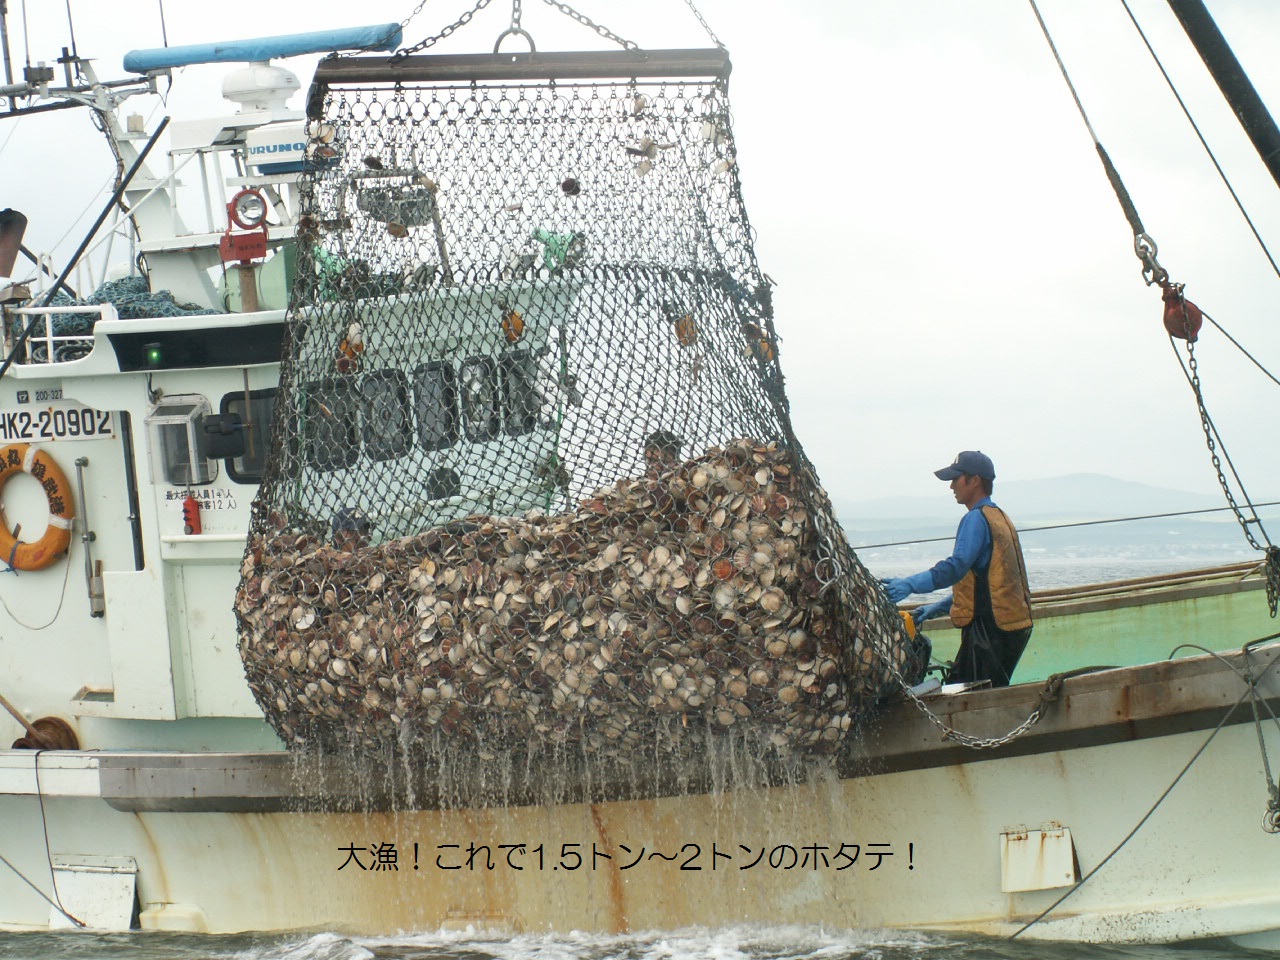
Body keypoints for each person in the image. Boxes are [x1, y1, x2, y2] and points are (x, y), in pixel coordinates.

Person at [881, 451, 1033, 687]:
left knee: (970, 695)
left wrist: (910, 584)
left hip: (988, 632)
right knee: (989, 691)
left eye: (956, 478)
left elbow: (955, 567)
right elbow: (989, 586)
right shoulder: (1000, 517)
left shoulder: (976, 519)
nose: (951, 486)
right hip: (1013, 627)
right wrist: (937, 608)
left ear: (975, 480)